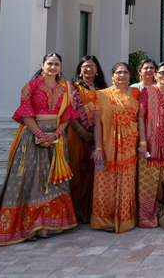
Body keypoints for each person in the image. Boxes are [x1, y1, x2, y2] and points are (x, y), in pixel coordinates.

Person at [0, 53, 78, 246]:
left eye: (56, 64)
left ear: (61, 67)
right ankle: (28, 226)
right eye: (49, 64)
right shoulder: (31, 86)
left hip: (56, 141)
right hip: (32, 139)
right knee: (30, 179)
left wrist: (57, 134)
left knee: (51, 180)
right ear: (42, 65)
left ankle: (48, 225)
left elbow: (67, 115)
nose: (52, 67)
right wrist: (40, 135)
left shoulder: (66, 89)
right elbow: (26, 113)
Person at [92, 62, 141, 234]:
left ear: (130, 76)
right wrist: (98, 148)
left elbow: (140, 119)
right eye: (118, 73)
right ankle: (105, 219)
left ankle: (125, 218)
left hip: (129, 144)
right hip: (108, 144)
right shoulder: (102, 95)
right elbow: (97, 124)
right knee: (106, 182)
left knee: (127, 182)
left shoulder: (136, 93)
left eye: (125, 72)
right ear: (112, 76)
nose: (122, 75)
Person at [136, 62, 164, 228]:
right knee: (148, 182)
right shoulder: (148, 91)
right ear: (155, 75)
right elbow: (141, 117)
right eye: (161, 73)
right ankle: (147, 218)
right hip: (150, 144)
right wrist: (142, 143)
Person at [67, 55, 108, 224]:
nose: (88, 69)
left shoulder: (104, 89)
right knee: (78, 172)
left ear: (97, 70)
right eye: (85, 66)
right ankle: (76, 213)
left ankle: (94, 211)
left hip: (99, 137)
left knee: (97, 174)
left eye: (92, 66)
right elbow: (68, 112)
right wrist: (83, 131)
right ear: (80, 69)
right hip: (77, 135)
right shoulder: (73, 88)